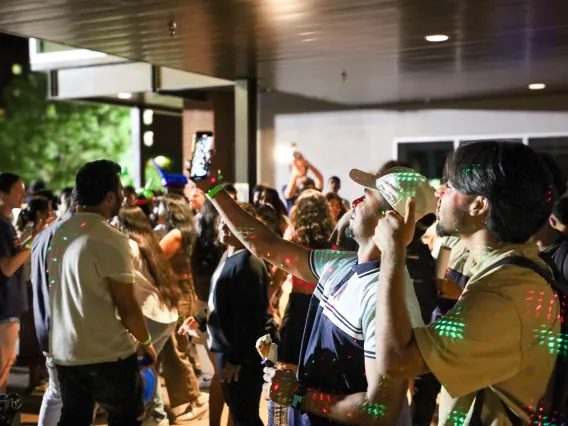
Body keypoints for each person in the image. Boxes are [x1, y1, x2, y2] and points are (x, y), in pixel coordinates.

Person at [196, 166, 435, 426]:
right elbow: (264, 245)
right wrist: (212, 189)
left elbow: (379, 409)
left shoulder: (390, 301)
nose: (354, 202)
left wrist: (298, 396)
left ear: (389, 219)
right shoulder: (342, 265)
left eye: (365, 197)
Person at [372, 141, 560, 426]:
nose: (439, 191)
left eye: (450, 185)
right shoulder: (506, 271)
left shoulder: (504, 293)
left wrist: (393, 252)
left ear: (479, 205)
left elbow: (397, 359)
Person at [49, 160, 157, 426]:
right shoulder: (110, 238)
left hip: (66, 351)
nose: (123, 195)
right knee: (125, 418)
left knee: (74, 418)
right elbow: (127, 305)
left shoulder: (61, 234)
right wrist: (145, 342)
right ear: (109, 196)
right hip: (108, 355)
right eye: (119, 190)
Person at [180, 203, 270, 426]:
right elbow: (220, 303)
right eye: (223, 220)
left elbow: (252, 319)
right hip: (226, 351)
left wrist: (237, 360)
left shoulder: (250, 262)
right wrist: (200, 319)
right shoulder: (228, 256)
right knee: (238, 412)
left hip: (240, 358)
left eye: (232, 222)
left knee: (245, 416)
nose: (224, 226)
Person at [117, 206, 182, 426]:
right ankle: (157, 416)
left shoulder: (128, 246)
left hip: (149, 315)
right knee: (148, 365)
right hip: (166, 314)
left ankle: (147, 415)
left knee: (133, 368)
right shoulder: (150, 242)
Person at [158, 193, 209, 423]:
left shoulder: (175, 235)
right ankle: (192, 399)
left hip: (176, 295)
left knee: (174, 350)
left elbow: (153, 260)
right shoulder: (191, 232)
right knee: (180, 348)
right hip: (187, 292)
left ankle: (192, 399)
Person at [271, 189, 335, 371]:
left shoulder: (293, 235)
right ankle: (308, 399)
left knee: (290, 365)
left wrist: (268, 298)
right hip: (324, 305)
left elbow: (278, 273)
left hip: (298, 305)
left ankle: (295, 400)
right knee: (319, 364)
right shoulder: (332, 237)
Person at [31, 189, 77, 426]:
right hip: (66, 330)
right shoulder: (71, 236)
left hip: (46, 327)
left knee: (57, 392)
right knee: (68, 396)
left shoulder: (42, 236)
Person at [0, 173, 44, 392]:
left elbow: (14, 253)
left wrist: (33, 236)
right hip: (5, 305)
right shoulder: (1, 225)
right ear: (2, 194)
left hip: (10, 304)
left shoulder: (6, 223)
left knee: (6, 365)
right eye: (18, 190)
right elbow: (7, 267)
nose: (23, 195)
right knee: (3, 368)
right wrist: (34, 242)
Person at [190, 198, 226, 426]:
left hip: (200, 307)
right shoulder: (224, 247)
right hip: (220, 311)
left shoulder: (196, 244)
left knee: (218, 373)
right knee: (223, 376)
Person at [15, 198, 54, 392]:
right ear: (40, 213)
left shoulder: (25, 232)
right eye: (48, 209)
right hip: (33, 287)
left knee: (32, 332)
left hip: (29, 287)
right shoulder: (34, 234)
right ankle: (36, 378)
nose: (51, 212)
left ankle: (37, 377)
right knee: (36, 331)